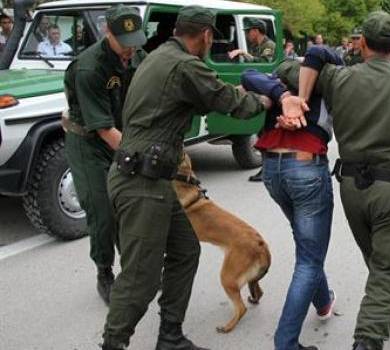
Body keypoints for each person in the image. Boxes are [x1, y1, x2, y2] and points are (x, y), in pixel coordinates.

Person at [100, 6, 272, 350]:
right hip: (141, 183)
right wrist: (269, 99)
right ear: (206, 35)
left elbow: (185, 102)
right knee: (140, 278)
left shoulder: (160, 56)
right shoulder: (184, 65)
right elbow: (229, 100)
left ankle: (170, 337)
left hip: (151, 177)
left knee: (185, 250)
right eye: (212, 38)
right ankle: (112, 345)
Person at [280, 11, 390, 350]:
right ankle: (368, 341)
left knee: (380, 262)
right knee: (388, 268)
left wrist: (329, 59)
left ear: (361, 44)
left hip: (351, 190)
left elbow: (286, 69)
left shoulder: (337, 79)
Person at [242, 52, 343, 350]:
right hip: (305, 170)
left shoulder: (299, 80)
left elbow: (249, 74)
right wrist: (285, 96)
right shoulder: (320, 80)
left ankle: (323, 303)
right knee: (310, 259)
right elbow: (249, 73)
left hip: (273, 170)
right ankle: (286, 343)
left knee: (307, 246)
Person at [63, 4, 146, 307]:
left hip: (121, 138)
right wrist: (143, 153)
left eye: (135, 42)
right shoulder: (89, 67)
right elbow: (104, 130)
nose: (130, 50)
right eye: (123, 44)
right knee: (103, 211)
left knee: (131, 207)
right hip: (90, 143)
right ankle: (104, 272)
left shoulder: (138, 55)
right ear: (106, 32)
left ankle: (134, 269)